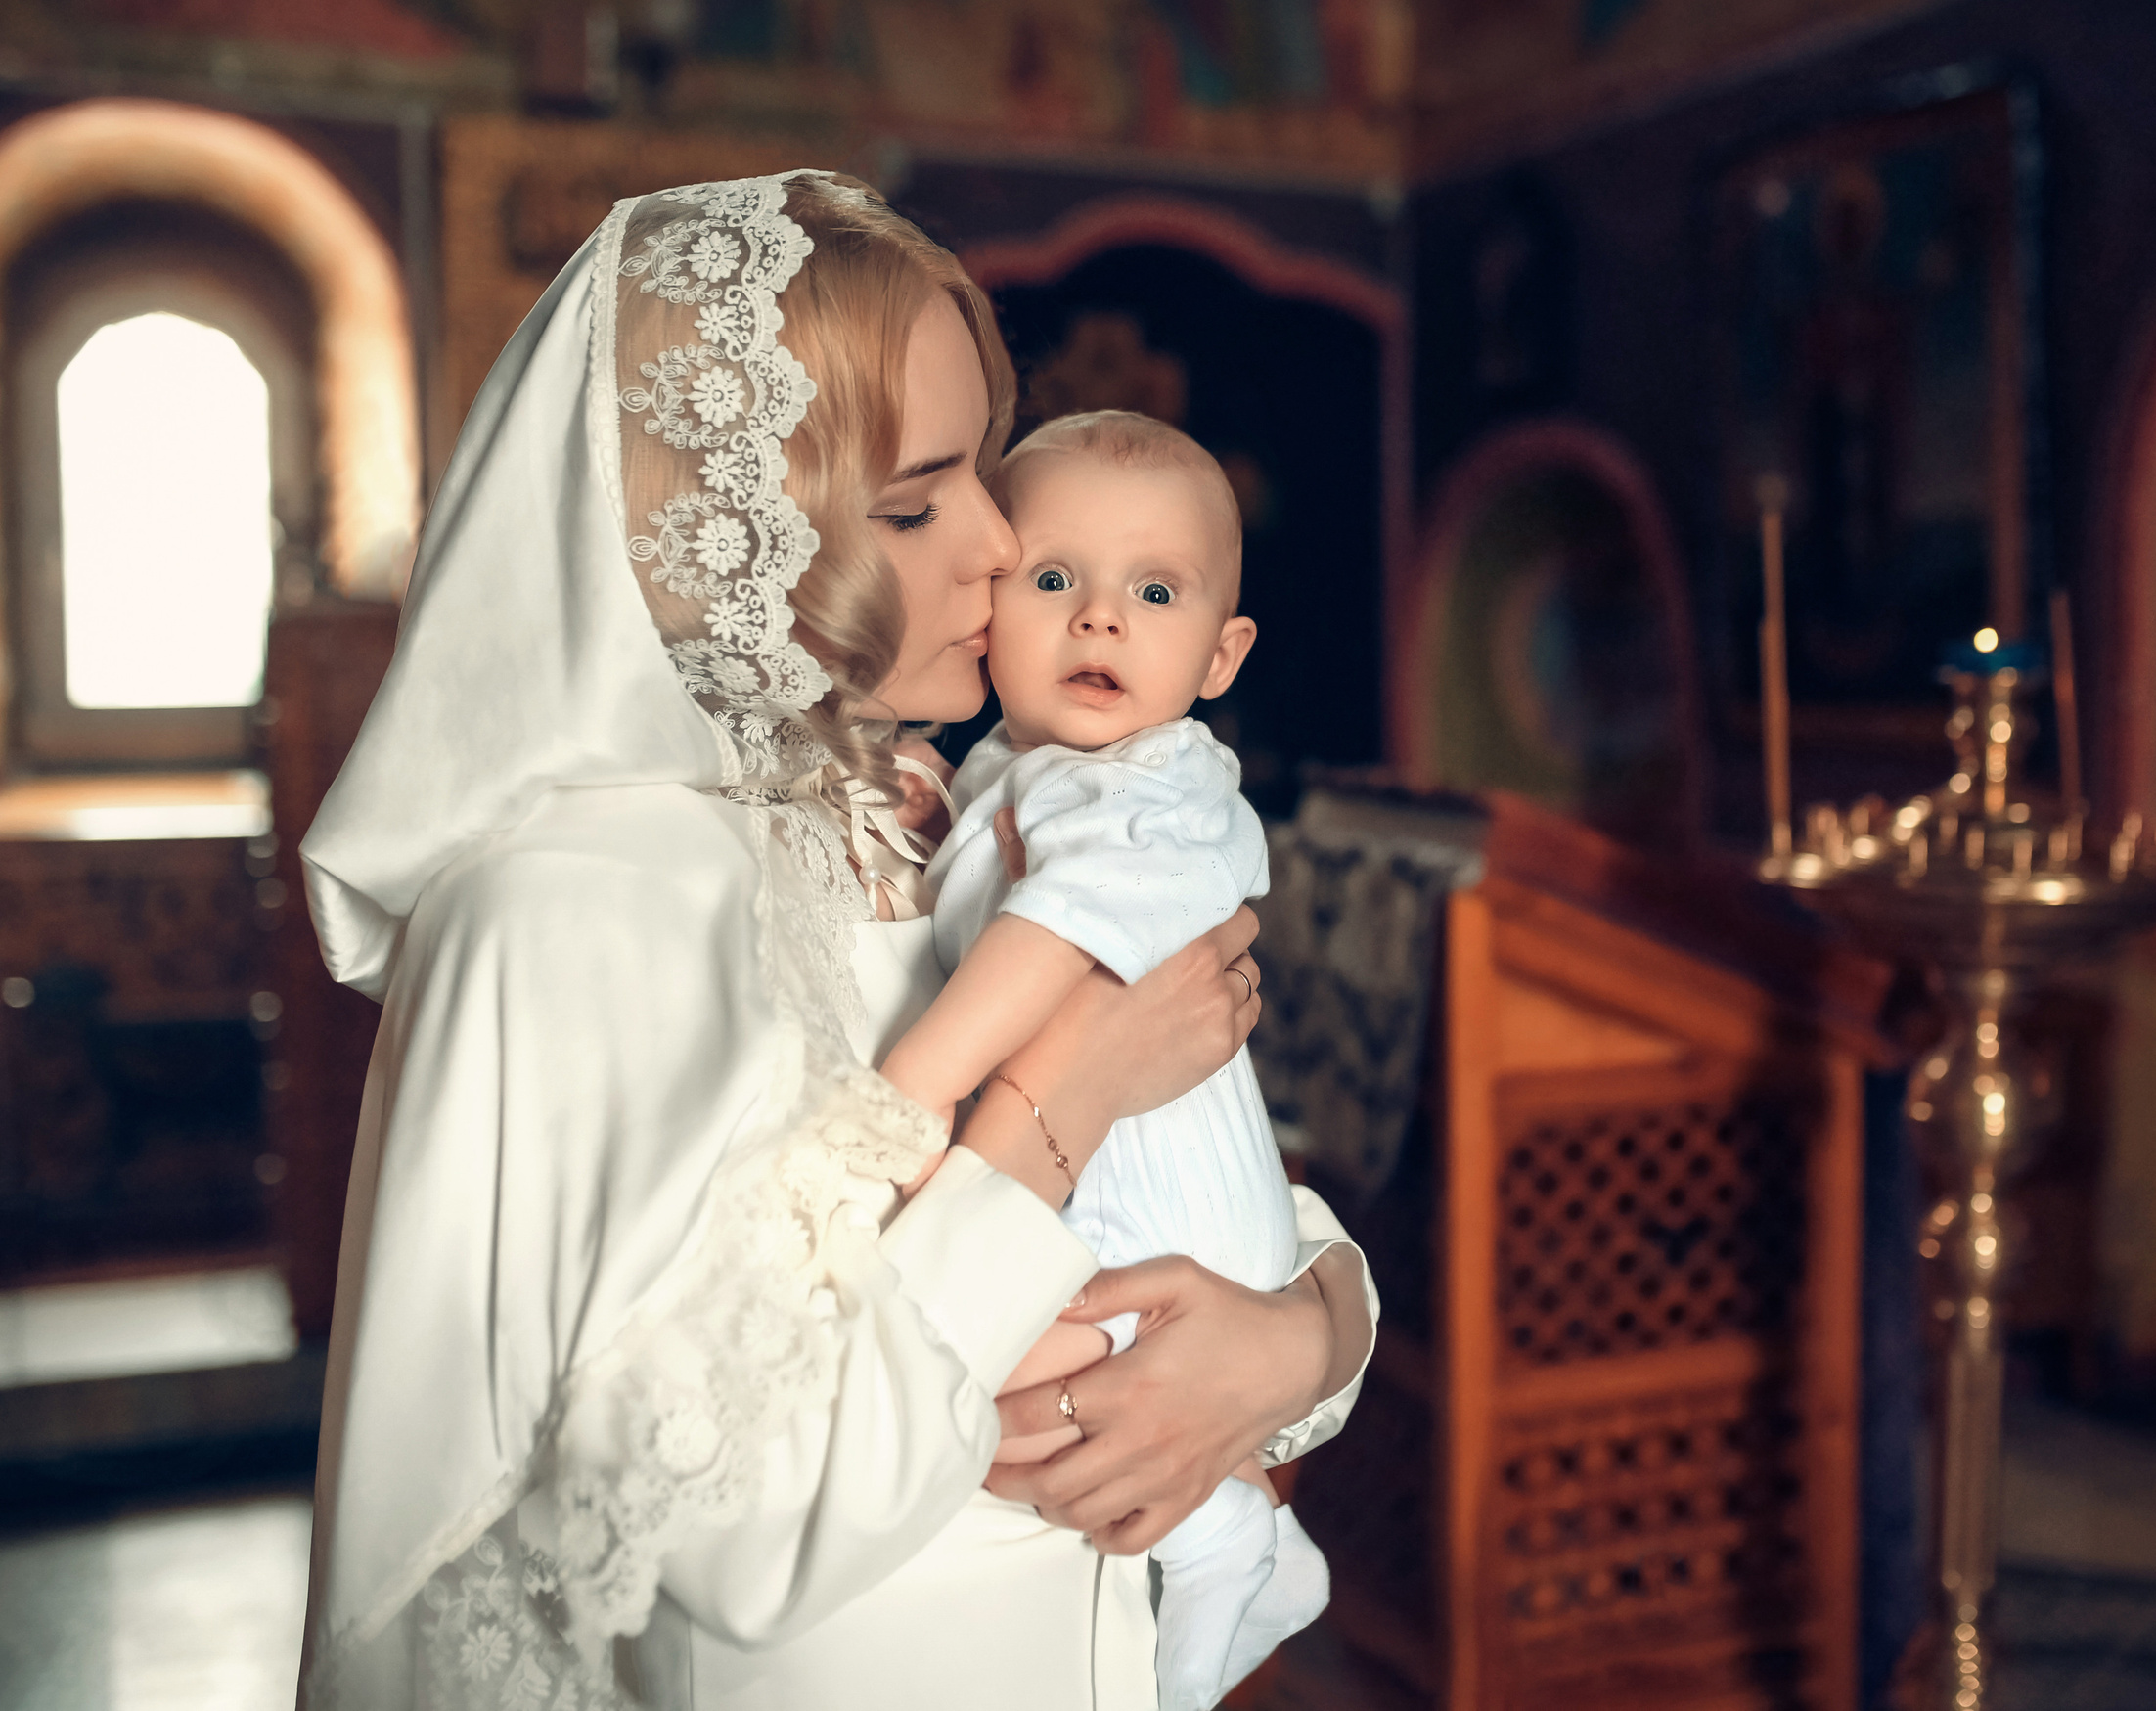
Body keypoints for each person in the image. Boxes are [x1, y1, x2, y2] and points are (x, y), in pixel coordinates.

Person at [295, 171, 1376, 1711]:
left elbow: (1204, 1173)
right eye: (918, 501)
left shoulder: (927, 806)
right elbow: (724, 1501)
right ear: (731, 524)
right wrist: (1054, 1098)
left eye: (987, 478)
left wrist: (1303, 1335)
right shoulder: (565, 902)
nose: (1004, 547)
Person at [877, 410, 1322, 1709]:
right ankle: (1246, 1536)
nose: (1099, 622)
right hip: (1151, 1169)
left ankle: (1230, 1540)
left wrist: (917, 1081)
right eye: (1056, 579)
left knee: (1054, 1386)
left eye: (1155, 591)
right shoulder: (1027, 766)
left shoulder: (1144, 781)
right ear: (993, 607)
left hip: (1166, 1192)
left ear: (1224, 651)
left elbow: (1056, 926)